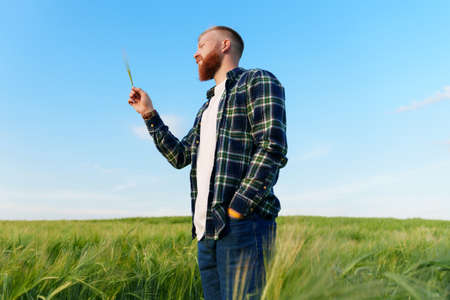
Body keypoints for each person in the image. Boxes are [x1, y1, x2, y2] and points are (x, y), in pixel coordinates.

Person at [128, 25, 287, 300]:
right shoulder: (206, 108)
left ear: (225, 45)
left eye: (202, 45)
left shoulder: (257, 80)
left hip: (243, 227)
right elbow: (180, 156)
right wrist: (149, 114)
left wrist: (236, 208)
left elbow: (272, 146)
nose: (195, 54)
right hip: (206, 231)